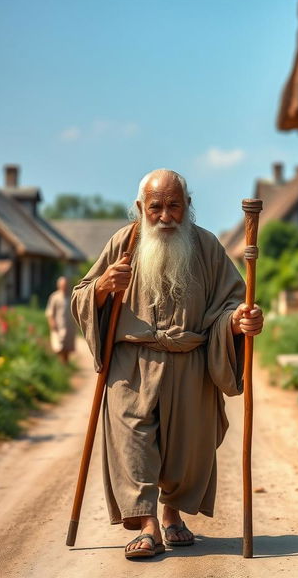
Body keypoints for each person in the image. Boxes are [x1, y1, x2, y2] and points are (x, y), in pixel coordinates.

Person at [71, 168, 263, 559]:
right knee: (133, 441)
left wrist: (240, 321)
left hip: (189, 361)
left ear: (187, 206)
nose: (165, 215)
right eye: (156, 206)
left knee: (185, 447)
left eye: (174, 205)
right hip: (131, 363)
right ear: (141, 208)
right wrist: (105, 285)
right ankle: (146, 525)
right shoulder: (123, 242)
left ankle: (172, 514)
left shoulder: (207, 247)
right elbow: (82, 295)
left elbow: (231, 303)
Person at [45, 276, 76, 364]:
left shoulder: (72, 296)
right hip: (58, 326)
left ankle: (65, 366)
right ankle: (60, 366)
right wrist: (51, 323)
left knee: (67, 348)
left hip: (69, 326)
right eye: (62, 285)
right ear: (59, 285)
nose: (64, 287)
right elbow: (49, 312)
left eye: (66, 285)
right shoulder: (54, 297)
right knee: (58, 348)